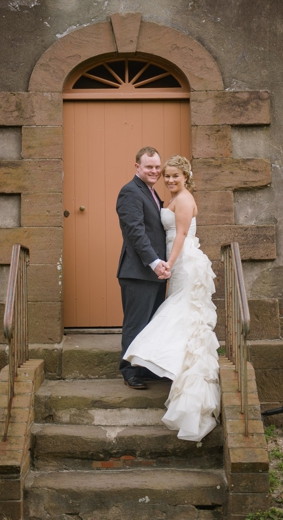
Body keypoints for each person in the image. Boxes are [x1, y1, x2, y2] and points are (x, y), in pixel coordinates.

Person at [124, 155, 221, 442]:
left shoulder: (184, 199)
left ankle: (176, 366)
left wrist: (168, 263)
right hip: (174, 262)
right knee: (180, 311)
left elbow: (179, 235)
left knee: (183, 310)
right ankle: (171, 363)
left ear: (186, 176)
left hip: (181, 260)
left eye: (175, 176)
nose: (169, 180)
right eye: (166, 175)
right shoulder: (169, 197)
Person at [116, 146, 171, 391]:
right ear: (137, 167)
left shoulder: (151, 192)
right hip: (138, 272)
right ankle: (129, 371)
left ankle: (146, 368)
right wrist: (155, 262)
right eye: (149, 166)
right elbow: (136, 233)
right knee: (136, 324)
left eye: (158, 167)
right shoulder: (130, 192)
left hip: (155, 274)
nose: (155, 171)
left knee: (151, 324)